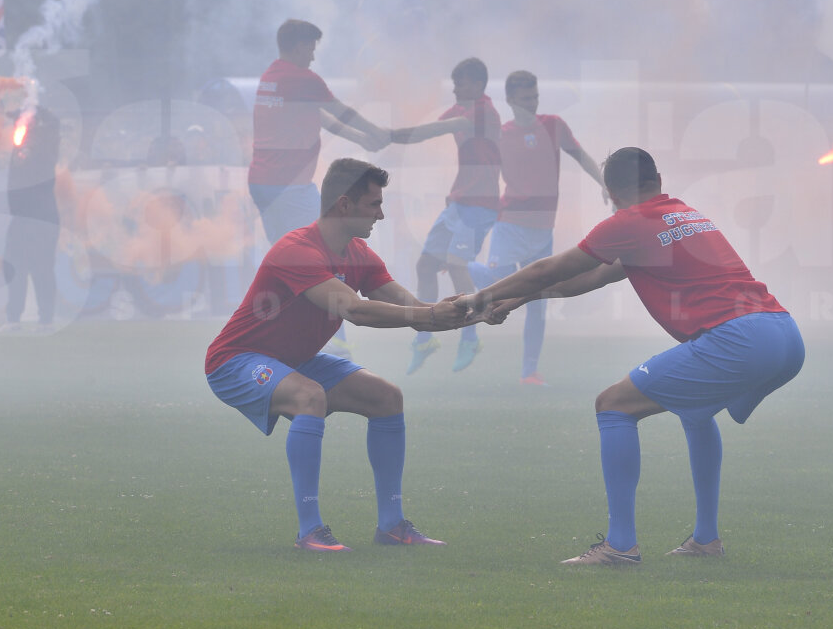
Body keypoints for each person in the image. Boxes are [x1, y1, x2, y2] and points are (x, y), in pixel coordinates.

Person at [459, 147, 804, 565]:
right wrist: (516, 300)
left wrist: (479, 298)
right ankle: (706, 540)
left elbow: (548, 269)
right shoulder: (682, 213)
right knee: (696, 413)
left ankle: (620, 546)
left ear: (610, 194)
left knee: (613, 405)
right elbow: (596, 276)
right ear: (658, 180)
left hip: (739, 339)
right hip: (784, 335)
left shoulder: (629, 222)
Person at [206, 157, 473, 551]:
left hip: (292, 361)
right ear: (344, 205)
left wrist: (471, 312)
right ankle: (309, 532)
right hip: (235, 361)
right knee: (308, 396)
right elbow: (356, 311)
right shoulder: (296, 250)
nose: (381, 214)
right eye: (374, 204)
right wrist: (430, 314)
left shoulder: (360, 254)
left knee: (386, 398)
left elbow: (417, 313)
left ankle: (392, 527)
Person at [248, 19, 391, 359]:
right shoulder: (302, 79)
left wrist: (360, 139)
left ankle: (288, 337)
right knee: (328, 254)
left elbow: (321, 117)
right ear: (299, 46)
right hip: (289, 187)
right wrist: (376, 132)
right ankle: (335, 344)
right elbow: (341, 111)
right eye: (311, 48)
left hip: (265, 184)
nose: (313, 56)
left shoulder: (271, 77)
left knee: (295, 263)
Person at [466, 70, 605, 386]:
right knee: (500, 284)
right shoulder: (500, 135)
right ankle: (465, 264)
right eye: (525, 99)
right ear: (511, 100)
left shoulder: (553, 125)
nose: (532, 103)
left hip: (543, 230)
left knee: (536, 299)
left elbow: (581, 156)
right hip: (510, 224)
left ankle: (529, 371)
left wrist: (603, 184)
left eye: (535, 97)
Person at [390, 57, 501, 373]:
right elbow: (425, 133)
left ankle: (470, 338)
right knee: (425, 265)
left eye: (460, 84)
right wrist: (392, 138)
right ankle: (424, 339)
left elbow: (439, 128)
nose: (454, 89)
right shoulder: (461, 109)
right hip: (458, 203)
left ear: (477, 85)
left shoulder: (484, 112)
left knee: (456, 265)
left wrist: (389, 134)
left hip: (480, 204)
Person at [1, 103, 62, 331]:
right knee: (13, 266)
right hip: (20, 219)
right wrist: (20, 114)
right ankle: (13, 319)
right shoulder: (17, 148)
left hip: (43, 219)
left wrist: (36, 109)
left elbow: (54, 125)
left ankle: (46, 320)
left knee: (42, 268)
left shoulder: (46, 149)